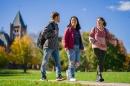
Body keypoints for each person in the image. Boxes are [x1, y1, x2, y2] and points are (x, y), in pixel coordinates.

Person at [89, 17, 118, 82]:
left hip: (104, 47)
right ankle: (100, 75)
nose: (98, 22)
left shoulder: (106, 30)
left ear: (102, 22)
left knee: (101, 61)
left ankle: (98, 77)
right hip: (96, 46)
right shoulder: (94, 28)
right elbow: (90, 36)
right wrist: (94, 41)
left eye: (99, 21)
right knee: (100, 59)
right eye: (97, 21)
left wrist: (113, 41)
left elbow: (109, 38)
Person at [40, 12, 64, 81]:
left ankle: (58, 76)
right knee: (45, 61)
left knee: (58, 62)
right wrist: (52, 33)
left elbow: (55, 36)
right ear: (56, 17)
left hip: (55, 47)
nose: (60, 18)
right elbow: (44, 33)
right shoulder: (50, 24)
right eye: (59, 17)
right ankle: (43, 77)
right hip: (48, 46)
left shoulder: (56, 25)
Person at [63, 16, 84, 81]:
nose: (74, 21)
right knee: (72, 62)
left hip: (77, 48)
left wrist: (82, 47)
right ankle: (72, 77)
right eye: (72, 20)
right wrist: (65, 46)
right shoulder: (68, 29)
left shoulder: (78, 30)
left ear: (77, 22)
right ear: (70, 22)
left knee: (77, 63)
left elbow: (80, 40)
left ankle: (68, 72)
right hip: (70, 47)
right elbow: (64, 39)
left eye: (75, 20)